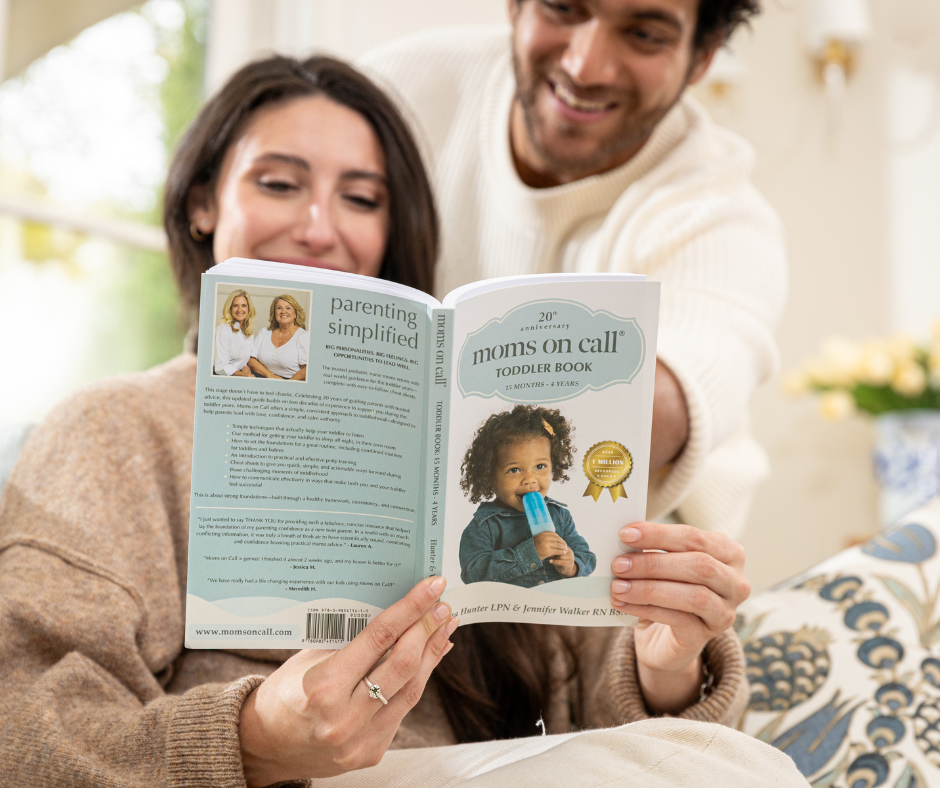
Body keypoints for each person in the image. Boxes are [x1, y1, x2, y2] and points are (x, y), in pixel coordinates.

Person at [0, 55, 800, 788]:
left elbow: (597, 710)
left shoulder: (473, 439)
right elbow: (22, 731)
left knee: (738, 769)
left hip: (494, 769)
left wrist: (666, 661)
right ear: (204, 204)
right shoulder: (117, 430)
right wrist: (251, 738)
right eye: (278, 184)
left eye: (361, 198)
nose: (320, 226)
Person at [359, 0, 788, 542]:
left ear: (701, 58)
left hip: (626, 565)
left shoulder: (720, 216)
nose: (585, 67)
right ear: (515, 7)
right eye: (563, 7)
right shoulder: (399, 92)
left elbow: (652, 407)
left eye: (644, 34)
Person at [458, 405, 596, 586]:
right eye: (514, 470)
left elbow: (586, 557)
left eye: (540, 467)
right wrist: (530, 553)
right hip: (505, 611)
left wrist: (572, 566)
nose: (530, 479)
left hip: (554, 608)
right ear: (489, 474)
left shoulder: (560, 516)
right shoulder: (484, 526)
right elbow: (473, 574)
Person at [248, 294, 310, 380]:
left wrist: (285, 386)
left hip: (289, 382)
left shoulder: (304, 336)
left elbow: (307, 369)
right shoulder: (264, 332)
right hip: (262, 377)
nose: (283, 311)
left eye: (288, 308)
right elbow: (251, 360)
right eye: (279, 308)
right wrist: (270, 375)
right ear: (274, 313)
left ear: (295, 313)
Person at [214, 289, 258, 376]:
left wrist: (245, 367)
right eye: (235, 306)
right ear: (230, 308)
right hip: (222, 376)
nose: (240, 309)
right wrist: (245, 375)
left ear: (249, 308)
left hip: (239, 373)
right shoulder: (224, 328)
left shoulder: (249, 331)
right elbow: (220, 368)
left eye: (244, 305)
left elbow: (242, 359)